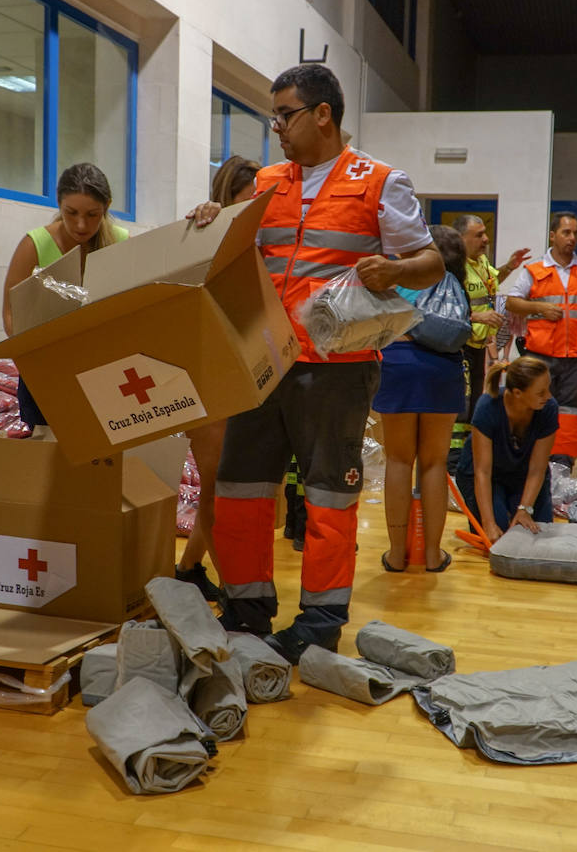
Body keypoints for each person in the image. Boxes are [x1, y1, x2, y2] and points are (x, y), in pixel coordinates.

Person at [191, 64, 443, 664]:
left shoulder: (381, 181)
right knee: (240, 489)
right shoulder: (268, 182)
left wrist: (399, 271)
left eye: (284, 114)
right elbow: (235, 256)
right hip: (265, 362)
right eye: (273, 116)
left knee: (328, 496)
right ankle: (247, 609)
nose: (275, 127)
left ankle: (321, 621)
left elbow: (431, 262)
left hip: (338, 365)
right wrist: (211, 220)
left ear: (322, 114)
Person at [173, 155, 262, 599]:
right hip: (207, 372)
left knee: (227, 486)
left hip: (245, 373)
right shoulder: (205, 233)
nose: (258, 207)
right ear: (227, 199)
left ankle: (189, 568)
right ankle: (232, 586)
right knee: (217, 485)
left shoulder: (261, 239)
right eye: (250, 200)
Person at [1, 162, 125, 425]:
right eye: (71, 213)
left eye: (93, 214)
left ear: (107, 207)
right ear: (58, 204)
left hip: (102, 370)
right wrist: (33, 364)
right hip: (45, 373)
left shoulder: (120, 242)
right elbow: (11, 315)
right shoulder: (34, 245)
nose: (81, 225)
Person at [375, 225, 468, 573]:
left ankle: (397, 554)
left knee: (399, 461)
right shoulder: (453, 285)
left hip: (397, 365)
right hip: (441, 369)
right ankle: (432, 555)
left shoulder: (394, 282)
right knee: (434, 462)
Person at [504, 211, 577, 472]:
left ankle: (563, 461)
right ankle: (532, 455)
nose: (572, 238)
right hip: (542, 351)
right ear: (552, 235)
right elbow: (512, 301)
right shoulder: (535, 269)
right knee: (537, 402)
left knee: (571, 409)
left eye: (575, 233)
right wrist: (538, 306)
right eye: (566, 232)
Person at [449, 214, 529, 473]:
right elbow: (445, 309)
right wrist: (477, 316)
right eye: (479, 235)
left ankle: (468, 460)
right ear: (461, 239)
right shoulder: (452, 267)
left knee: (474, 404)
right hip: (458, 345)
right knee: (461, 404)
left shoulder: (481, 261)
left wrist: (509, 266)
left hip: (477, 346)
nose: (485, 239)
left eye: (485, 233)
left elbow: (492, 281)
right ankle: (452, 463)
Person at [454, 357, 557, 544]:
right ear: (517, 393)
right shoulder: (487, 407)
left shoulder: (548, 408)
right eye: (541, 392)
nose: (548, 396)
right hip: (486, 474)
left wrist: (524, 509)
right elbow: (482, 472)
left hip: (523, 472)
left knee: (537, 533)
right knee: (498, 533)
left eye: (548, 388)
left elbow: (538, 469)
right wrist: (488, 523)